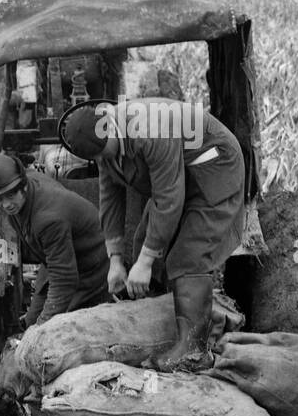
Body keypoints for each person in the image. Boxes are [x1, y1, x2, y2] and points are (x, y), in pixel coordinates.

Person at [59, 98, 246, 372]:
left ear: (110, 128)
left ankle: (193, 350)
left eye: (102, 153)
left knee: (188, 256)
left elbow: (169, 199)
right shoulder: (102, 144)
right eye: (95, 158)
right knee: (143, 241)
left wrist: (145, 262)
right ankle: (164, 328)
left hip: (214, 165)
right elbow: (110, 198)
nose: (101, 160)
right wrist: (115, 260)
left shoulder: (150, 128)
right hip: (180, 174)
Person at [0, 152, 109, 327]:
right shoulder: (24, 182)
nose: (6, 204)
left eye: (10, 196)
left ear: (22, 187)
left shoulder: (48, 219)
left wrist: (42, 327)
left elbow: (64, 279)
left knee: (64, 329)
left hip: (90, 267)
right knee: (31, 321)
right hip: (56, 257)